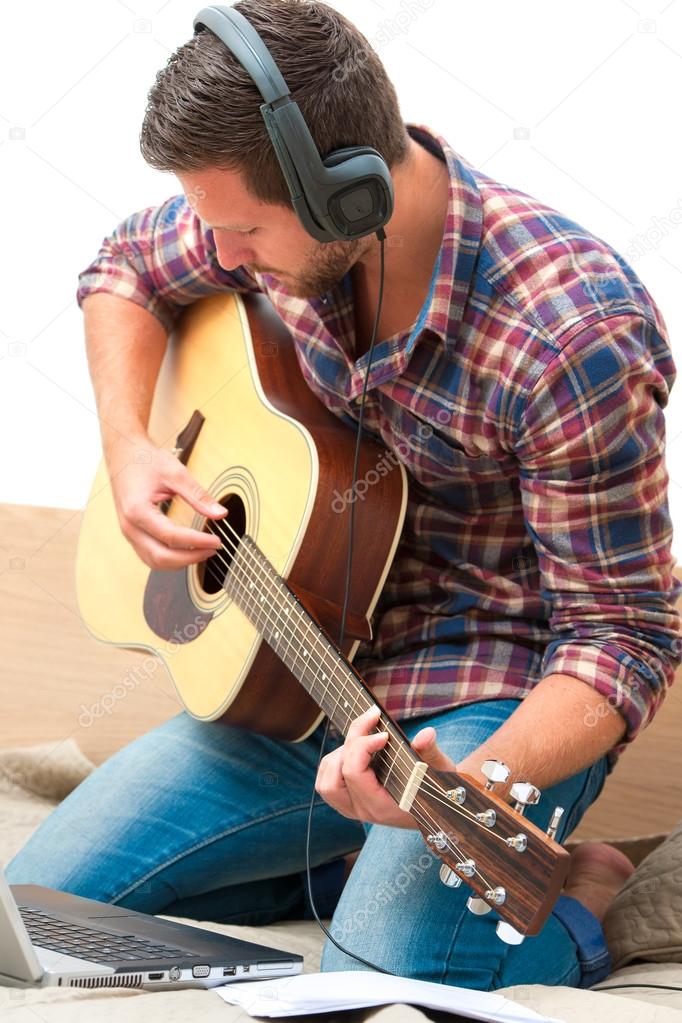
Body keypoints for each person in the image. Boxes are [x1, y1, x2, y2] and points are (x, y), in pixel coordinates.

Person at [6, 0, 680, 992]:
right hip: (292, 684)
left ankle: (575, 897)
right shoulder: (270, 234)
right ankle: (338, 857)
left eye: (239, 229)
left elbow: (621, 635)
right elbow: (125, 269)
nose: (221, 257)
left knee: (389, 965)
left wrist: (473, 786)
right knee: (38, 911)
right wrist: (131, 443)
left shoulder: (571, 334)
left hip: (486, 700)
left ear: (348, 196)